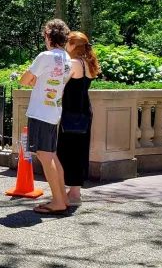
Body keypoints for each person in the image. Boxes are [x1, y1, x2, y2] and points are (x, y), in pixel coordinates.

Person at [19, 19, 72, 214]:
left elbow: (24, 79)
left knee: (44, 155)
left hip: (40, 111)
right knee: (51, 155)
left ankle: (58, 201)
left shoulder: (45, 56)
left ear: (49, 35)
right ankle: (63, 198)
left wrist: (33, 80)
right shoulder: (66, 58)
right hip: (53, 110)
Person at [57, 31, 100, 207]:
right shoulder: (87, 63)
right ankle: (74, 191)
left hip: (72, 113)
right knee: (79, 151)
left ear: (73, 45)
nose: (66, 46)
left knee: (69, 152)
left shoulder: (74, 63)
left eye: (68, 43)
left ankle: (74, 195)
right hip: (84, 112)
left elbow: (59, 83)